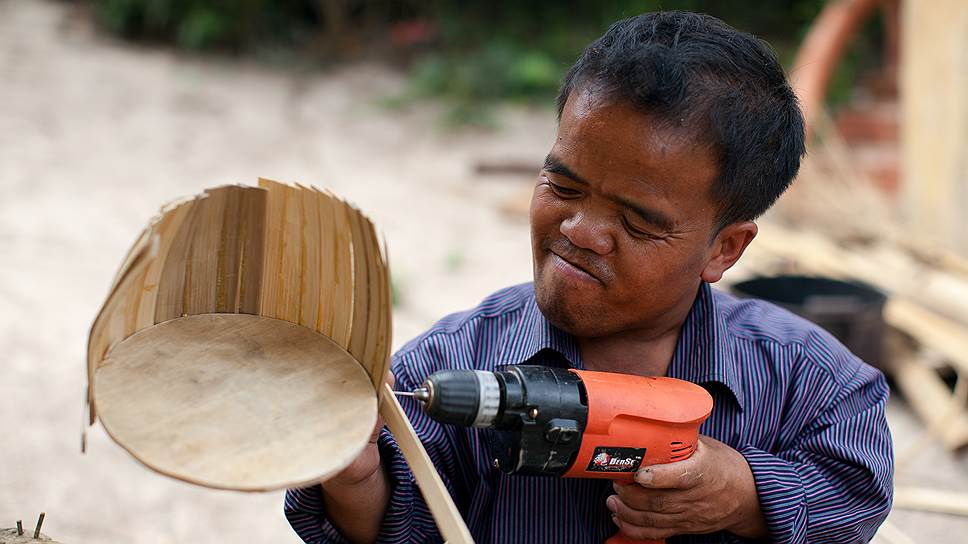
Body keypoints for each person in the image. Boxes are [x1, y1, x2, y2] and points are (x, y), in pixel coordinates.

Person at [285, 11, 893, 544]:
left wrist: (743, 495)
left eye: (637, 221)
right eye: (564, 186)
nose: (581, 230)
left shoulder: (815, 385)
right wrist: (358, 481)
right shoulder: (442, 368)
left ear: (724, 249)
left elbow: (858, 499)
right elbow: (401, 527)